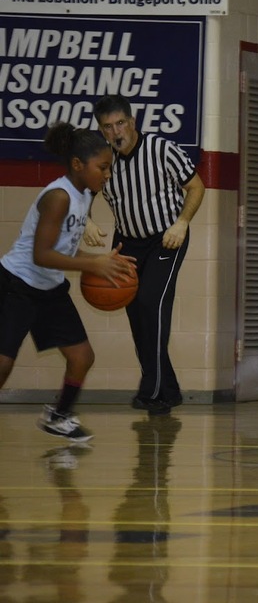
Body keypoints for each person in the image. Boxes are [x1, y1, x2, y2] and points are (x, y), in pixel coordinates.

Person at [0, 123, 137, 442]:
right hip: (17, 284)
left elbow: (64, 247)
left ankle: (59, 416)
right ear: (78, 164)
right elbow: (41, 255)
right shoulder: (58, 196)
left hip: (49, 287)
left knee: (82, 357)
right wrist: (93, 263)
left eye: (109, 168)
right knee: (3, 365)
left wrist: (102, 259)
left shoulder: (85, 195)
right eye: (102, 168)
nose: (107, 175)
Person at [87, 95, 205, 415]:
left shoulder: (162, 150)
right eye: (108, 127)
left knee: (151, 303)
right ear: (102, 131)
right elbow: (82, 189)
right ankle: (169, 389)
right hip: (128, 242)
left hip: (166, 239)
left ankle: (151, 389)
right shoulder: (101, 158)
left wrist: (182, 223)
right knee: (137, 315)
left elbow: (196, 187)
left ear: (132, 122)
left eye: (120, 123)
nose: (116, 131)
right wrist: (84, 219)